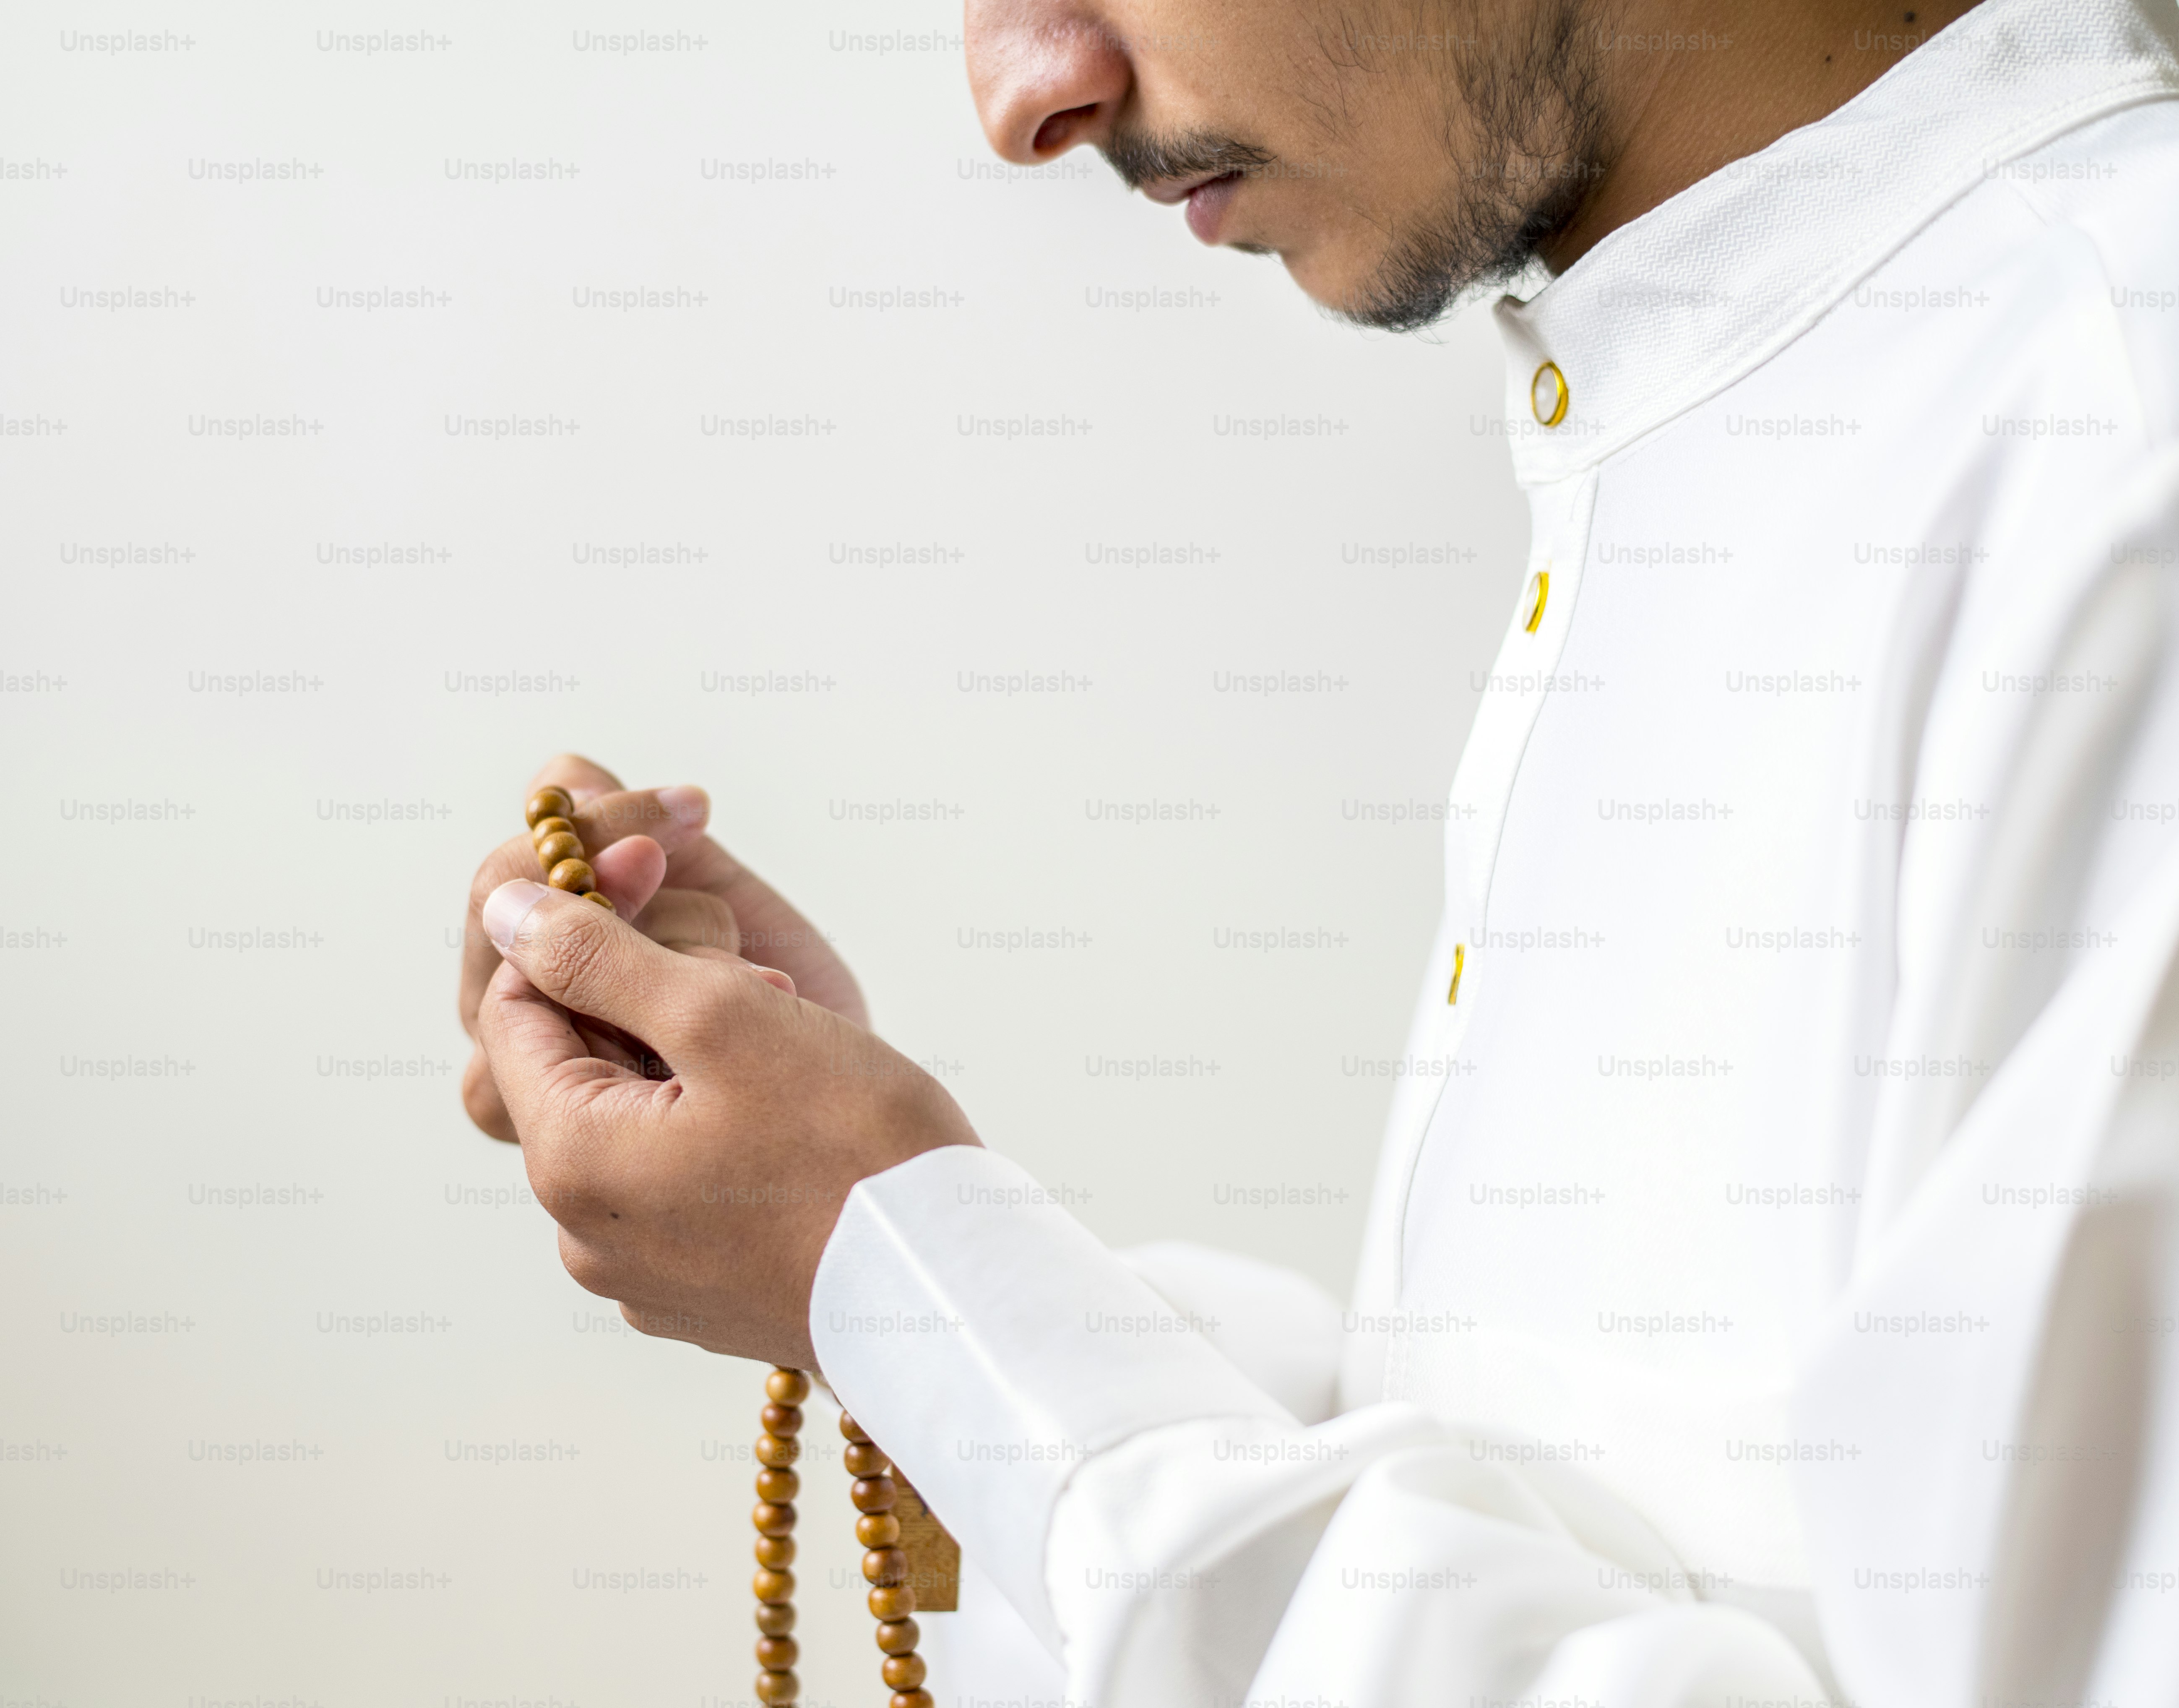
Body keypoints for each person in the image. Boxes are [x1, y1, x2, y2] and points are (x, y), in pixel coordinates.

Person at [457, 0, 2179, 1700]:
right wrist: (906, 1245)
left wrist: (926, 1298)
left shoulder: (2125, 445)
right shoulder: (1745, 406)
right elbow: (1616, 1514)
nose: (1023, 93)